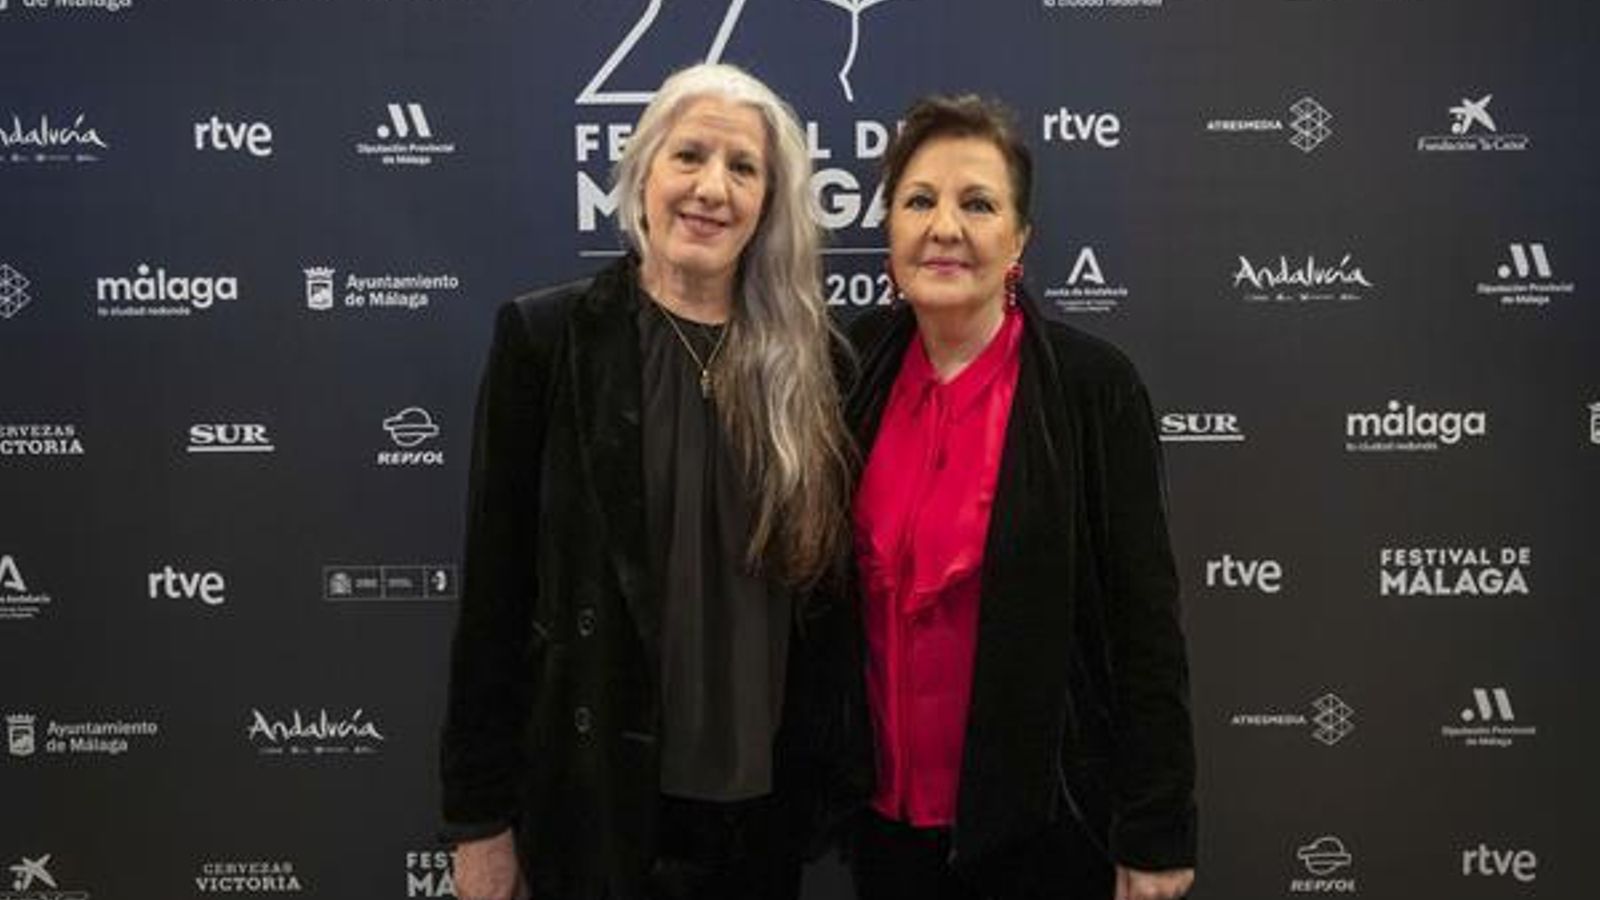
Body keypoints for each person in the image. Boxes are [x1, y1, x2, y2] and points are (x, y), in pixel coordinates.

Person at [438, 63, 859, 900]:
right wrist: (478, 821)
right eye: (689, 156)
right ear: (641, 173)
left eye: (743, 168)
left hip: (760, 819)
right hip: (597, 809)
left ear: (770, 203)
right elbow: (493, 595)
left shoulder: (814, 368)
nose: (711, 188)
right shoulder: (547, 343)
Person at [844, 95, 1198, 900]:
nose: (945, 227)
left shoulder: (1090, 389)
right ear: (890, 227)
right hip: (883, 829)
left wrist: (1157, 827)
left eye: (978, 203)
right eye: (919, 201)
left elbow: (1145, 625)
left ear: (1020, 240)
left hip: (1043, 829)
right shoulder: (849, 367)